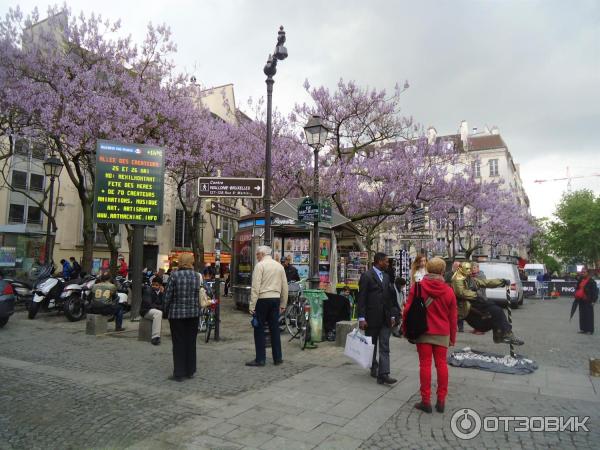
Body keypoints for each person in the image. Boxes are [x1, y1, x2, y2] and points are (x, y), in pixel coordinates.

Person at [403, 257, 457, 413]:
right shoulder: (449, 291)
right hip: (442, 332)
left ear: (427, 269)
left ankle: (425, 401)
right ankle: (441, 401)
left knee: (425, 365)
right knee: (442, 365)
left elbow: (407, 310)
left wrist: (406, 331)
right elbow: (453, 318)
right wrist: (452, 337)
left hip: (423, 332)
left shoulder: (417, 287)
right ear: (442, 271)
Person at [451, 262, 524, 345]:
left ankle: (503, 334)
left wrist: (501, 282)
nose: (470, 271)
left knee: (497, 311)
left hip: (475, 303)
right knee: (493, 312)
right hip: (466, 307)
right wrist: (476, 295)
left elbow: (486, 283)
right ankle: (502, 334)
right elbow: (460, 292)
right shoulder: (456, 279)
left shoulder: (470, 279)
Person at [357, 252, 400, 385]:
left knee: (384, 345)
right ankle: (373, 366)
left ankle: (384, 374)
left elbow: (391, 298)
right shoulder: (367, 276)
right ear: (379, 261)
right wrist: (362, 318)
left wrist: (393, 315)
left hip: (385, 318)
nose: (388, 264)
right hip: (371, 317)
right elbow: (361, 298)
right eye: (386, 261)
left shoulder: (387, 277)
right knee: (372, 345)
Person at [246, 245, 288, 367]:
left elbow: (255, 287)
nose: (257, 256)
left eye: (257, 254)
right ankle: (278, 357)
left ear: (262, 254)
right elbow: (284, 286)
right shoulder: (279, 266)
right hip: (275, 299)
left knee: (259, 329)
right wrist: (283, 303)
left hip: (262, 299)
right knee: (274, 328)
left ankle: (260, 359)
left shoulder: (260, 266)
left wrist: (252, 305)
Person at [163, 253, 201, 382]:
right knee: (191, 342)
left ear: (180, 262)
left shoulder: (174, 276)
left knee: (178, 342)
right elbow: (206, 292)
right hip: (193, 314)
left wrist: (165, 310)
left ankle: (179, 372)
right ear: (191, 262)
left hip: (177, 315)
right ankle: (190, 370)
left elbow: (168, 295)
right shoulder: (197, 276)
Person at [140, 279, 164, 345]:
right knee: (158, 313)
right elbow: (149, 304)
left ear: (160, 286)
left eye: (156, 285)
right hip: (146, 311)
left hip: (154, 310)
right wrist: (160, 307)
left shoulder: (161, 293)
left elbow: (164, 304)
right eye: (153, 284)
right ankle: (155, 337)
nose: (154, 286)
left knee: (159, 313)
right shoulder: (148, 290)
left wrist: (162, 294)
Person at [575, 267, 598, 335]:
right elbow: (577, 288)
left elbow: (595, 292)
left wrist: (594, 301)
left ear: (587, 273)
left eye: (584, 272)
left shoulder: (591, 281)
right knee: (582, 315)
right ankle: (583, 329)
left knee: (589, 315)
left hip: (588, 300)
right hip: (581, 300)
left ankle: (590, 330)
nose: (582, 273)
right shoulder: (580, 280)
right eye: (582, 272)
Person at [445, 261, 463, 332]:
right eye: (457, 267)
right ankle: (451, 326)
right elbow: (445, 283)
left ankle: (461, 327)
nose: (458, 268)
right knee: (451, 311)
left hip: (459, 295)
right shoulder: (448, 274)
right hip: (451, 295)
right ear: (454, 266)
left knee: (460, 311)